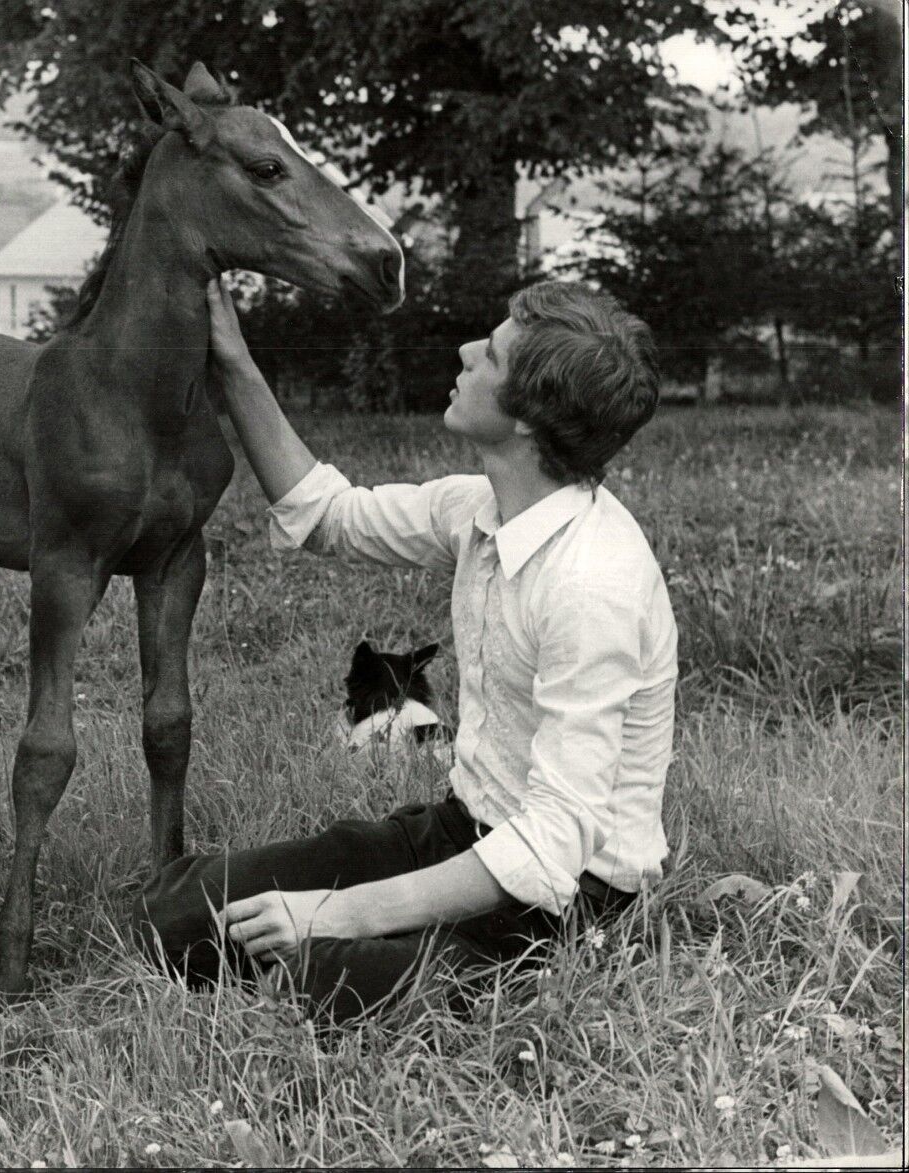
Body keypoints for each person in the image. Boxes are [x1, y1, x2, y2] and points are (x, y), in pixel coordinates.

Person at [134, 279, 679, 1025]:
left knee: (314, 977)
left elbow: (552, 843)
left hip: (568, 898)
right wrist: (233, 361)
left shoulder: (592, 584)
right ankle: (385, 943)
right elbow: (328, 514)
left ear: (526, 416)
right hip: (464, 831)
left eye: (488, 354)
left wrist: (336, 911)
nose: (463, 352)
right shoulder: (481, 508)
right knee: (182, 913)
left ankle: (498, 978)